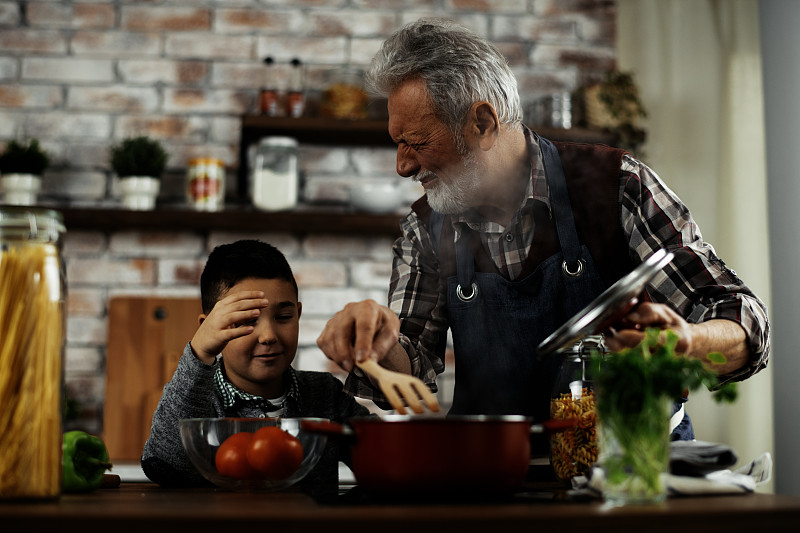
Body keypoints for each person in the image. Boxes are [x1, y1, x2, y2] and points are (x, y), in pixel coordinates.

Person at [316, 18, 770, 443]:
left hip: (632, 469)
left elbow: (743, 319)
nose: (403, 166)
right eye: (397, 144)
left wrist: (688, 342)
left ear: (482, 123)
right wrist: (375, 345)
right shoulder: (425, 228)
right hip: (497, 473)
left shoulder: (617, 185)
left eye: (415, 143)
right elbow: (411, 374)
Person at [141, 239, 370, 497]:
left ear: (298, 313)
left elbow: (384, 459)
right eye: (246, 321)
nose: (268, 335)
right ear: (208, 328)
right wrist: (200, 352)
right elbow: (164, 465)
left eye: (283, 317)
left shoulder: (325, 394)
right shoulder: (195, 398)